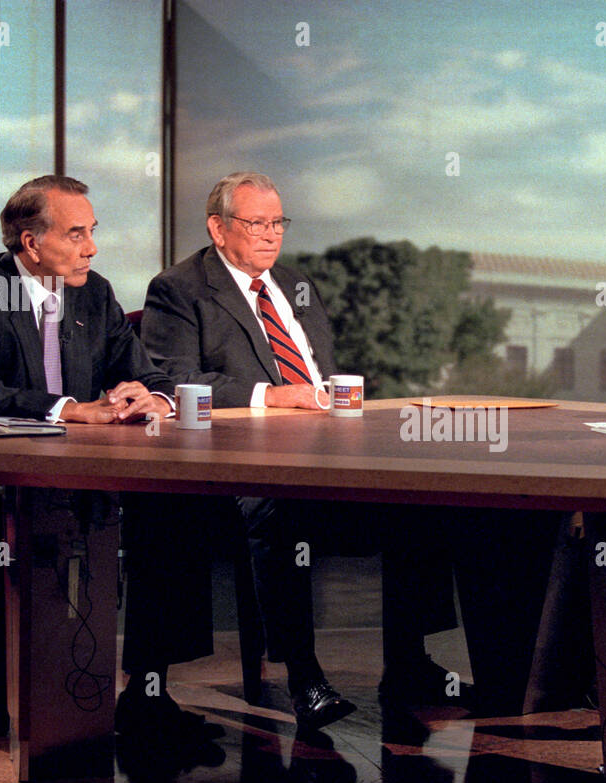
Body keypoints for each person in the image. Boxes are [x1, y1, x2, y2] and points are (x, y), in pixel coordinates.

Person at [139, 171, 466, 728]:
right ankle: (304, 677)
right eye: (256, 224)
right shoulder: (179, 289)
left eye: (277, 224)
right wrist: (272, 396)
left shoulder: (295, 285)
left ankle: (409, 661)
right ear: (218, 229)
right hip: (239, 469)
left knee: (419, 492)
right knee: (277, 508)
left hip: (327, 450)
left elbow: (324, 377)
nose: (271, 236)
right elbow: (173, 381)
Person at [0, 175, 221, 751]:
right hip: (7, 475)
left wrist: (153, 397)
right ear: (30, 242)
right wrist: (67, 409)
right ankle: (60, 715)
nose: (92, 247)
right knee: (59, 519)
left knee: (174, 509)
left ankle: (147, 694)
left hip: (94, 469)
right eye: (76, 233)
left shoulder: (94, 292)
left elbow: (146, 371)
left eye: (92, 232)